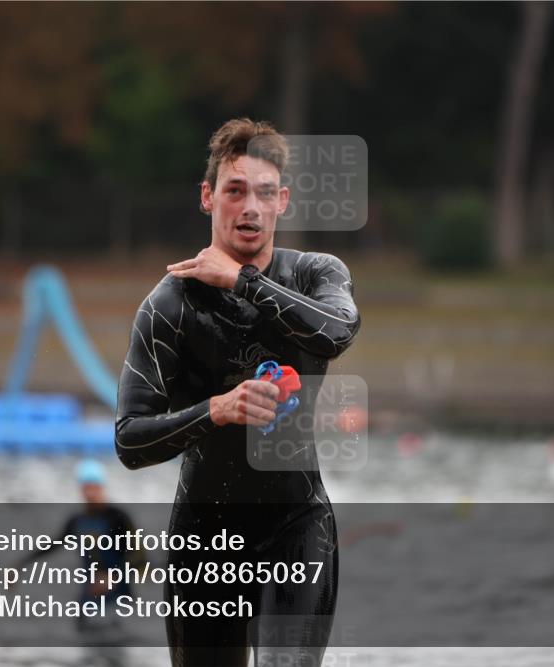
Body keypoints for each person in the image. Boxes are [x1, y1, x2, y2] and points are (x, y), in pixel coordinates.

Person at [115, 118, 361, 667]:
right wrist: (217, 411)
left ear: (282, 202)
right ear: (208, 198)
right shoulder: (169, 306)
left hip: (295, 528)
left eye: (264, 193)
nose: (249, 206)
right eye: (235, 190)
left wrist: (242, 281)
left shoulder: (317, 274)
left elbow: (338, 332)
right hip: (203, 541)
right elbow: (130, 442)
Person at [19, 459, 140, 635]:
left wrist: (114, 576)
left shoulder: (118, 518)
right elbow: (52, 546)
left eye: (94, 487)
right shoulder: (77, 521)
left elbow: (137, 554)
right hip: (88, 599)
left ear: (102, 487)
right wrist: (20, 565)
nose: (90, 493)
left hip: (118, 600)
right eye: (86, 488)